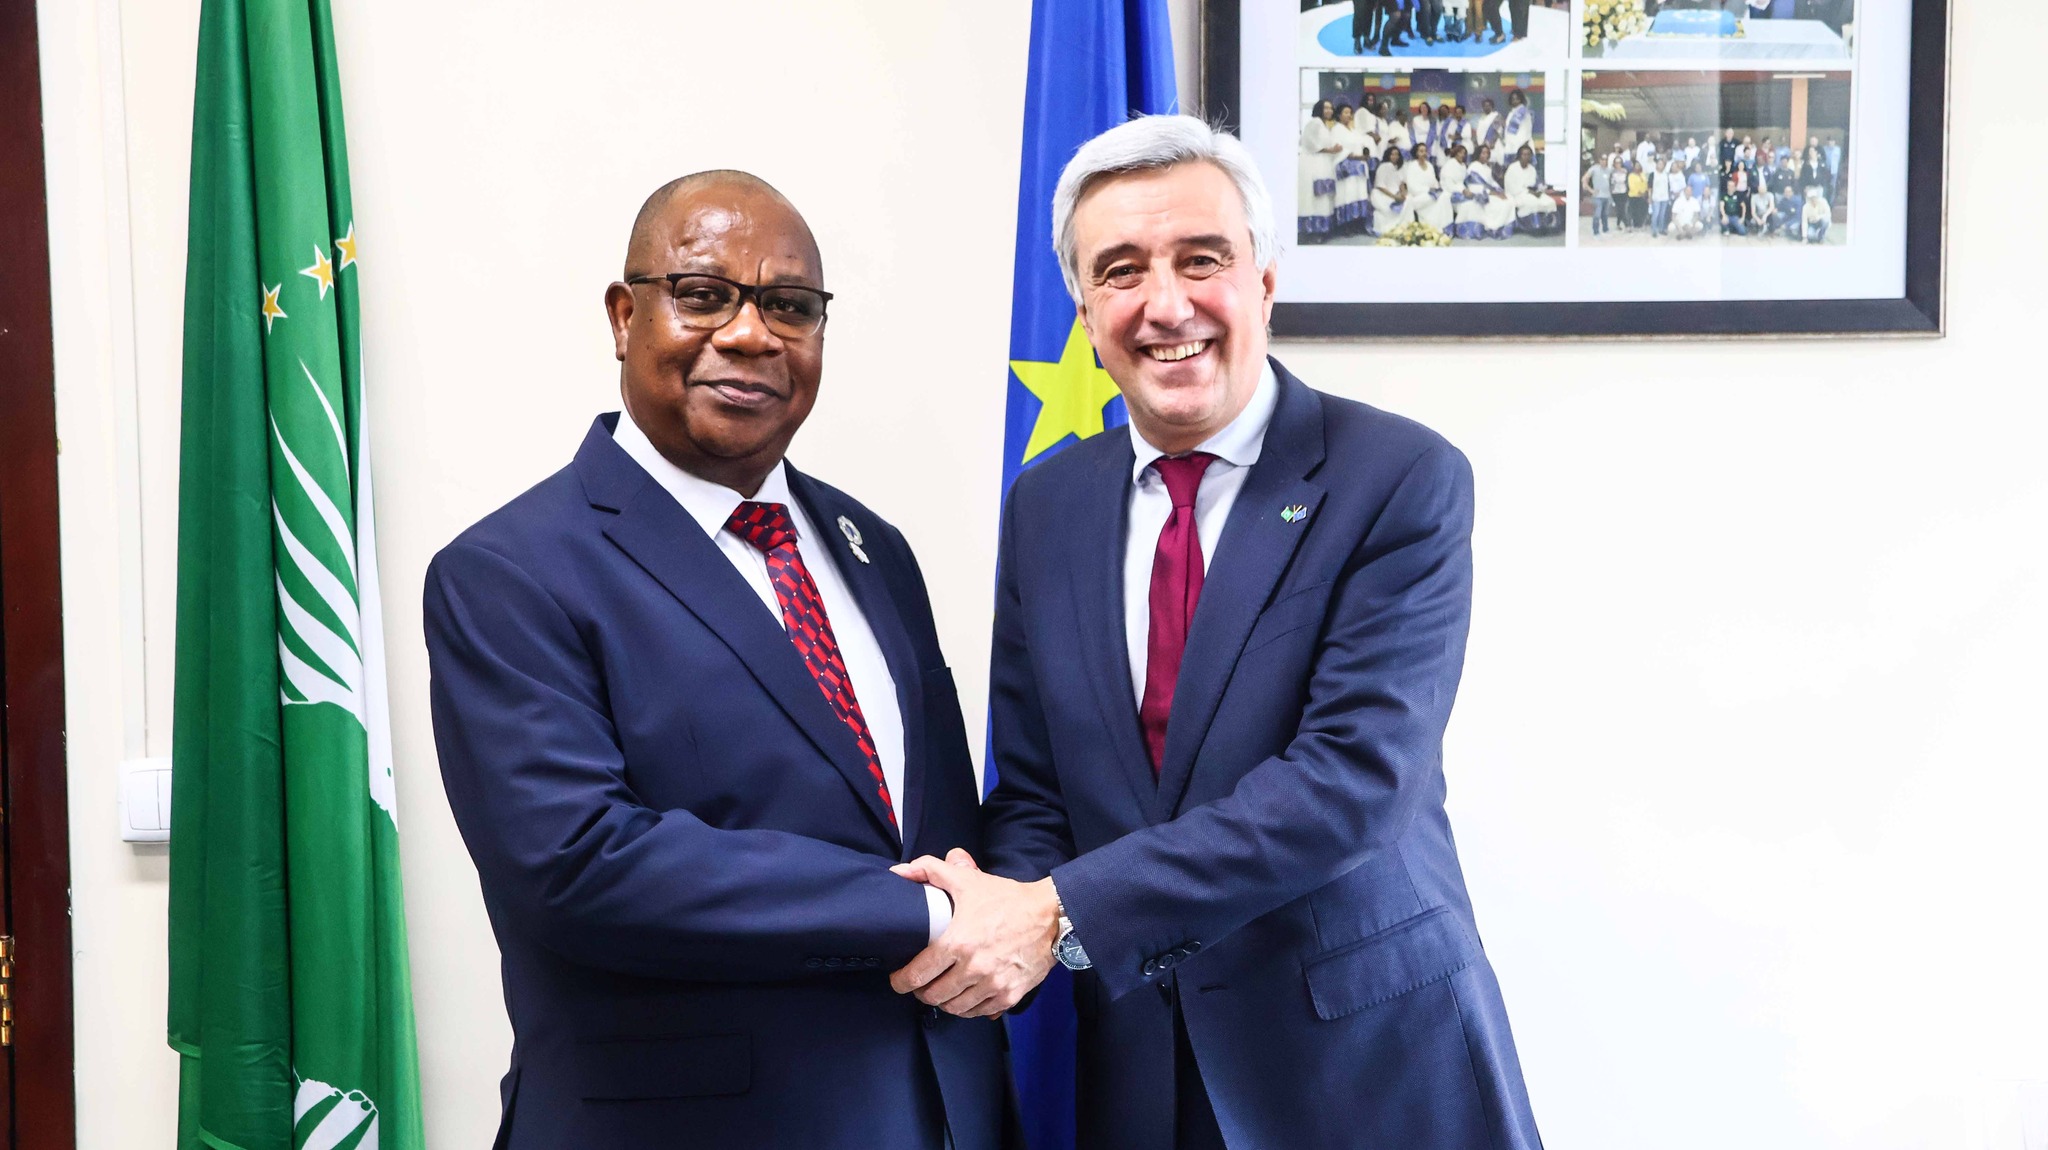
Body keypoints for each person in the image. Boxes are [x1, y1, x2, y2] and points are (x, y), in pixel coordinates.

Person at [887, 112, 1542, 1150]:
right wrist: (992, 909)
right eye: (1121, 271)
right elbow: (1037, 787)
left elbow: (1350, 782)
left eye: (1202, 259)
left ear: (1264, 281)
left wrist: (1055, 913)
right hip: (1138, 1066)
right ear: (1086, 313)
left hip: (1363, 1063)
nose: (1165, 304)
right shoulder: (1048, 505)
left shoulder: (1398, 478)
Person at [423, 171, 1011, 1150]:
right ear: (624, 317)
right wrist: (928, 915)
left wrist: (1029, 909)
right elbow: (581, 862)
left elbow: (933, 820)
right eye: (703, 295)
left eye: (791, 307)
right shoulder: (508, 571)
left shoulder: (874, 548)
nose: (749, 335)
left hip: (934, 1115)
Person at [1298, 100, 1343, 240]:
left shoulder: (1324, 125)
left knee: (1324, 196)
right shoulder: (1315, 122)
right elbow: (1308, 143)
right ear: (1319, 109)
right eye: (1326, 108)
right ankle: (1313, 231)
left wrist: (1334, 149)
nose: (1329, 111)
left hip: (1324, 163)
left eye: (1331, 108)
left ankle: (1323, 229)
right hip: (1313, 164)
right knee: (1315, 197)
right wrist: (1331, 150)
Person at [1331, 104, 1377, 233]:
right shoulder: (1336, 130)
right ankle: (1346, 225)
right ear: (1339, 115)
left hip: (1359, 167)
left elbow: (1361, 144)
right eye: (1345, 112)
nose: (1348, 115)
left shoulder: (1353, 130)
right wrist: (1355, 156)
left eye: (1350, 112)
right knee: (1347, 194)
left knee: (1359, 194)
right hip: (1346, 167)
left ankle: (1358, 223)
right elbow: (1338, 149)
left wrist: (1365, 153)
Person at [1464, 145, 1519, 238]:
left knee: (1510, 199)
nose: (1486, 155)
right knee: (1503, 203)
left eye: (1487, 153)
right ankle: (1494, 228)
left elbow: (1492, 182)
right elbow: (1475, 186)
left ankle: (1504, 229)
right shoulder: (1473, 167)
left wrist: (1500, 191)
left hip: (1490, 191)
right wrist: (1495, 194)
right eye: (1483, 153)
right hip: (1480, 194)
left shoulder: (1486, 167)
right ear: (1478, 154)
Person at [1405, 141, 1455, 235]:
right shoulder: (1412, 166)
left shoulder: (1430, 165)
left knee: (1445, 195)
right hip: (1418, 196)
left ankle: (1443, 227)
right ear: (1416, 153)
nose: (1424, 153)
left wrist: (1436, 189)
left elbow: (1434, 182)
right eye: (1421, 151)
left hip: (1432, 194)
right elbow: (1411, 186)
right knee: (1432, 197)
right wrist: (1428, 191)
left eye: (1425, 151)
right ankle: (1432, 227)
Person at [1505, 143, 1555, 231]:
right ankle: (1533, 225)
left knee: (1550, 201)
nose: (1526, 157)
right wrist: (1530, 192)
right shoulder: (1512, 168)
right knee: (1533, 202)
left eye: (1528, 155)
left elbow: (1534, 184)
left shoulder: (1532, 169)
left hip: (1532, 193)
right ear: (1519, 156)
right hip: (1517, 194)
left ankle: (1546, 224)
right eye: (1524, 155)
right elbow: (1512, 188)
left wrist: (1539, 189)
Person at [1369, 142, 1410, 234]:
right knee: (1388, 207)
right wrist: (1395, 197)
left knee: (1408, 200)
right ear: (1388, 155)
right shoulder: (1383, 166)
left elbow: (1402, 183)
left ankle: (1404, 227)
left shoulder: (1401, 167)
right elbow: (1380, 186)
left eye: (1397, 154)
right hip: (1381, 194)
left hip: (1396, 193)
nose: (1395, 157)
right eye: (1392, 154)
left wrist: (1403, 194)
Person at [1583, 153, 1614, 237]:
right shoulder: (1594, 169)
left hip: (1607, 196)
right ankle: (1596, 232)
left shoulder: (1608, 170)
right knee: (1597, 214)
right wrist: (1591, 190)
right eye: (1602, 159)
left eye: (1606, 160)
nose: (1604, 161)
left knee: (1605, 214)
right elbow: (1584, 179)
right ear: (1599, 160)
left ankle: (1605, 229)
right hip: (1597, 196)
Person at [1503, 89, 1535, 159]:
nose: (1515, 101)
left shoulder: (1524, 112)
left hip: (1521, 147)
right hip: (1510, 147)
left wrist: (1524, 146)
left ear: (1521, 99)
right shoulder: (1511, 113)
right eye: (1513, 99)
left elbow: (1528, 130)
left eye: (1517, 99)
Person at [1650, 157, 1675, 236]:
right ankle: (1654, 230)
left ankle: (1661, 229)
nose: (1660, 165)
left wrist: (1669, 195)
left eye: (1662, 164)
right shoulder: (1653, 174)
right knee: (1656, 214)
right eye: (1659, 164)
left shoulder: (1666, 174)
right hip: (1656, 197)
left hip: (1665, 197)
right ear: (1656, 165)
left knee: (1662, 214)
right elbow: (1649, 187)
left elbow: (1668, 186)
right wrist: (1649, 197)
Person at [1624, 160, 1649, 231]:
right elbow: (1631, 186)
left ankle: (1639, 225)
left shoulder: (1643, 174)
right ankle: (1631, 225)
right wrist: (1639, 192)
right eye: (1636, 166)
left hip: (1643, 196)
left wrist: (1645, 192)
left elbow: (1646, 184)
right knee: (1633, 211)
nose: (1638, 167)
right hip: (1633, 195)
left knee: (1641, 211)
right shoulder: (1631, 175)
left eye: (1639, 165)